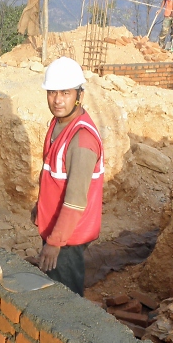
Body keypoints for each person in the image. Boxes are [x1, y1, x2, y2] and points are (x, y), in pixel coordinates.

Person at [32, 57, 104, 296]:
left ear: (79, 95)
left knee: (66, 298)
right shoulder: (58, 123)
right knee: (54, 284)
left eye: (65, 92)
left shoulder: (82, 140)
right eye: (52, 92)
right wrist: (40, 207)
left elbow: (75, 200)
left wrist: (54, 243)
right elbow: (54, 174)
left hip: (69, 235)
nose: (58, 100)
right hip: (57, 226)